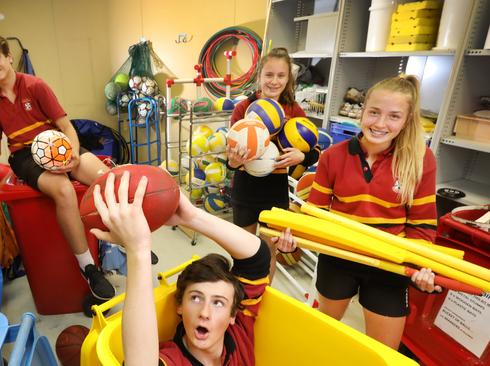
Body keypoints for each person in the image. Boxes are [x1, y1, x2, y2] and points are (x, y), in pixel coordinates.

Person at [0, 29, 115, 301]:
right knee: (63, 190)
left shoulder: (36, 86)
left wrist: (71, 152)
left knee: (106, 180)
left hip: (58, 142)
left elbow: (64, 126)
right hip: (24, 155)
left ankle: (122, 241)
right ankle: (89, 268)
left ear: (8, 56)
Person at [283, 74, 441, 349]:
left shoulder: (421, 159)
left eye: (393, 116)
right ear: (362, 111)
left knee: (382, 353)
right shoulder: (333, 156)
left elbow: (422, 225)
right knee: (322, 339)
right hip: (339, 257)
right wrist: (292, 239)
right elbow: (315, 215)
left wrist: (419, 265)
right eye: (374, 112)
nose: (380, 124)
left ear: (406, 121)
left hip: (389, 263)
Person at [90, 171, 293, 365]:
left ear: (233, 315)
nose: (205, 312)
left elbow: (258, 257)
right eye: (196, 298)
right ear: (180, 306)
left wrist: (193, 217)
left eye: (219, 303)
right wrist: (138, 250)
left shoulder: (239, 329)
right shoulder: (172, 360)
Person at [227, 47, 320, 277]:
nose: (274, 81)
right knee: (243, 248)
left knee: (269, 248)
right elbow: (229, 160)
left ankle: (264, 299)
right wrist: (235, 161)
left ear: (288, 79)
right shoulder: (243, 108)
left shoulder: (294, 110)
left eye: (281, 76)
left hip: (275, 189)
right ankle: (242, 298)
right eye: (269, 75)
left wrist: (302, 157)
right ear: (259, 76)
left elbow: (315, 150)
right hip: (246, 187)